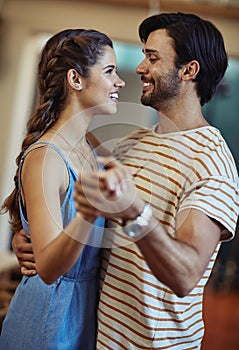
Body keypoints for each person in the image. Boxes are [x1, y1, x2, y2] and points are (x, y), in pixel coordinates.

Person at [11, 12, 239, 349]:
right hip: (95, 336)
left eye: (152, 57)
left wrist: (135, 210)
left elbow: (186, 275)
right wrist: (28, 234)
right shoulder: (129, 146)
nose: (138, 69)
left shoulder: (211, 161)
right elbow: (65, 201)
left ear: (189, 71)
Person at [0, 28, 125, 349]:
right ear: (76, 79)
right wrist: (87, 213)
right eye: (109, 71)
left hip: (85, 311)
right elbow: (49, 269)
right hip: (48, 316)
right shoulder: (46, 158)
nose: (119, 82)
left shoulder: (94, 149)